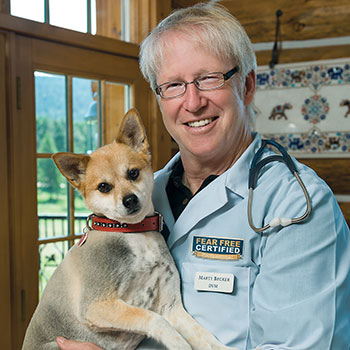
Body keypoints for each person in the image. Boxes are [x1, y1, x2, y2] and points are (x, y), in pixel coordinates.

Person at [57, 3, 350, 350]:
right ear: (160, 99)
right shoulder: (144, 198)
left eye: (209, 78)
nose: (193, 102)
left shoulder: (297, 205)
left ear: (247, 86)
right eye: (174, 85)